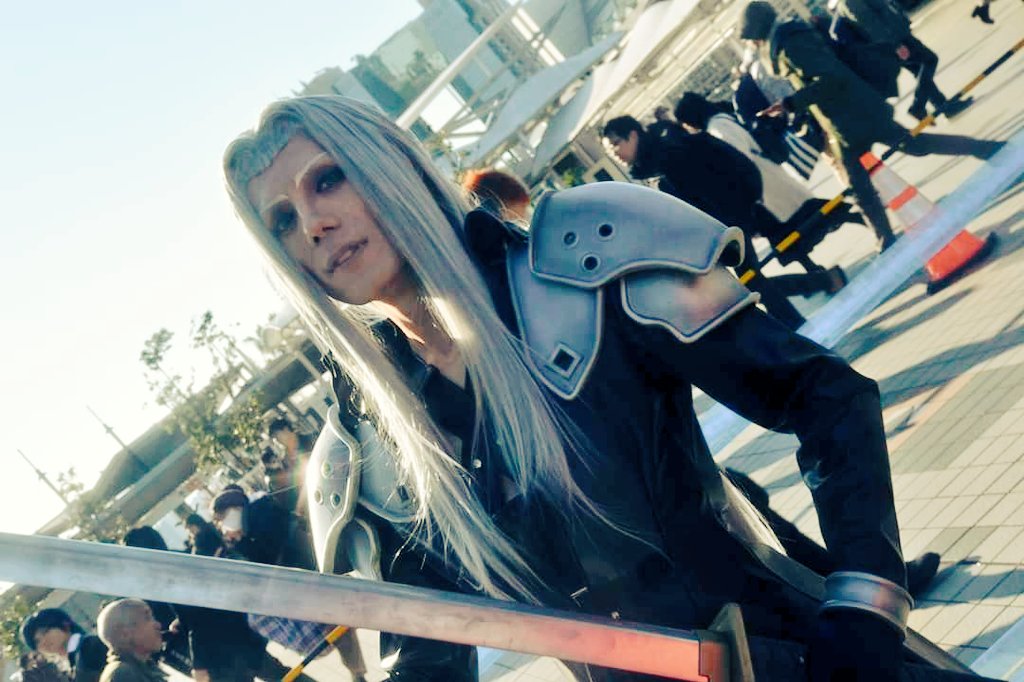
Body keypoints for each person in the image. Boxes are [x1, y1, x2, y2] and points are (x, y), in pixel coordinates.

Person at [223, 95, 993, 680]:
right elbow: (429, 649)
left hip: (801, 657)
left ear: (388, 165)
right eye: (283, 220)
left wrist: (864, 607)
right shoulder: (371, 448)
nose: (313, 224)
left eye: (328, 180)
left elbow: (821, 396)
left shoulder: (580, 266)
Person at [740, 0, 1003, 252]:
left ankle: (988, 149)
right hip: (843, 122)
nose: (751, 43)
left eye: (750, 37)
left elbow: (830, 78)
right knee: (861, 184)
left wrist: (791, 103)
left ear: (758, 32)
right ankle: (885, 240)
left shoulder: (791, 44)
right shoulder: (785, 43)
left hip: (858, 114)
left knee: (915, 147)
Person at [602, 114, 824, 327]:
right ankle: (816, 290)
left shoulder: (666, 155)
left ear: (633, 135)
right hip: (722, 227)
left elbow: (700, 195)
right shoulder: (652, 164)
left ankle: (801, 316)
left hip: (724, 226)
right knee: (747, 282)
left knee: (748, 282)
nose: (614, 153)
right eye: (610, 149)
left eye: (616, 144)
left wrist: (734, 218)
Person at [832, 0, 972, 121]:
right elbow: (872, 25)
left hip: (897, 37)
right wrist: (896, 45)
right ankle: (919, 106)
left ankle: (942, 106)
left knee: (919, 70)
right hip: (895, 41)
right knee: (930, 60)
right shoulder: (850, 2)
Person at [20, 609, 107, 682]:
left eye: (45, 632)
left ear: (65, 624)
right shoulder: (65, 668)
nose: (43, 642)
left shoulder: (91, 646)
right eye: (37, 641)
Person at [95, 600, 167, 682]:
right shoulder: (123, 675)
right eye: (147, 618)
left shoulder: (142, 667)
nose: (158, 625)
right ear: (124, 634)